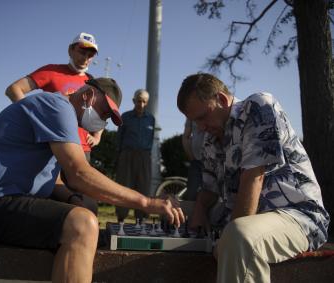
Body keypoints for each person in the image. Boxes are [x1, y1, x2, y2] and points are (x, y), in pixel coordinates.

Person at [0, 78, 184, 283]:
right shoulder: (56, 106)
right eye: (103, 112)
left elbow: (52, 175)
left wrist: (72, 198)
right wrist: (147, 203)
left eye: (107, 119)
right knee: (82, 225)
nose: (102, 122)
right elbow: (79, 174)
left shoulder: (62, 114)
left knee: (84, 211)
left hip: (6, 199)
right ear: (87, 95)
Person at [177, 73, 330, 283]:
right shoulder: (210, 141)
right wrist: (199, 210)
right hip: (243, 217)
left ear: (221, 99)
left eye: (202, 117)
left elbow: (253, 178)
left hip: (297, 216)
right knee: (175, 211)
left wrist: (225, 242)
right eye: (195, 122)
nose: (201, 128)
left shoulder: (258, 106)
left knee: (239, 236)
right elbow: (209, 189)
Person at [5, 32, 101, 214]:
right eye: (82, 51)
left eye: (90, 54)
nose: (86, 57)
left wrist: (97, 136)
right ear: (71, 50)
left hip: (81, 151)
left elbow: (101, 112)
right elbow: (14, 89)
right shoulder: (52, 71)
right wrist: (34, 118)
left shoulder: (92, 82)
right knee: (49, 203)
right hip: (51, 149)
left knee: (86, 206)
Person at [115, 89, 155, 223]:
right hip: (127, 155)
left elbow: (151, 138)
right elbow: (119, 138)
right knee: (124, 186)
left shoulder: (151, 119)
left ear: (147, 103)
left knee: (143, 187)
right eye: (139, 101)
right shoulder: (125, 117)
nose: (141, 104)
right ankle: (121, 218)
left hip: (144, 156)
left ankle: (141, 220)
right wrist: (120, 156)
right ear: (133, 101)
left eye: (144, 101)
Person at [182, 119, 204, 202]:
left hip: (213, 162)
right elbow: (185, 136)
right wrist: (191, 157)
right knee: (192, 195)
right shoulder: (190, 114)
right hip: (196, 162)